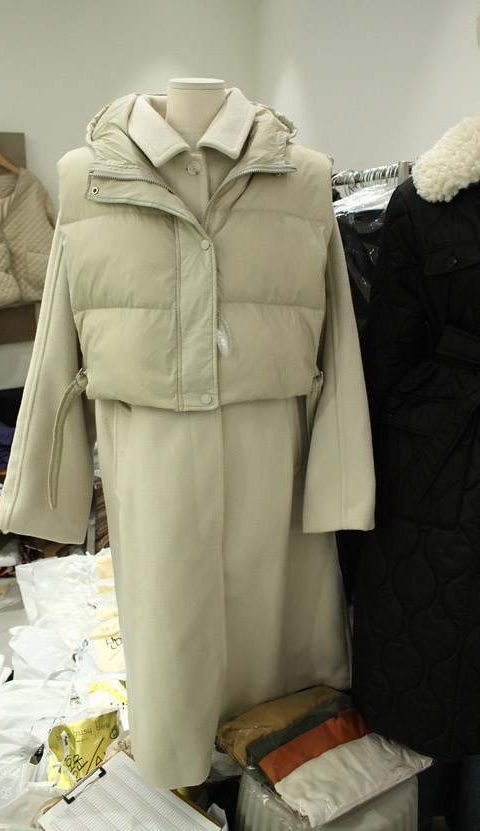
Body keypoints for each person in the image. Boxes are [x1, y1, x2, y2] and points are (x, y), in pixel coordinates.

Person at [0, 78, 375, 788]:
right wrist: (47, 498)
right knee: (174, 689)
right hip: (152, 486)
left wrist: (343, 492)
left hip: (277, 489)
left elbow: (339, 353)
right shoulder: (87, 179)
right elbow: (57, 356)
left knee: (287, 705)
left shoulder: (304, 178)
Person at [351, 19, 480, 827]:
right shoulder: (427, 199)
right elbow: (385, 365)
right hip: (435, 464)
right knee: (433, 671)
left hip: (431, 449)